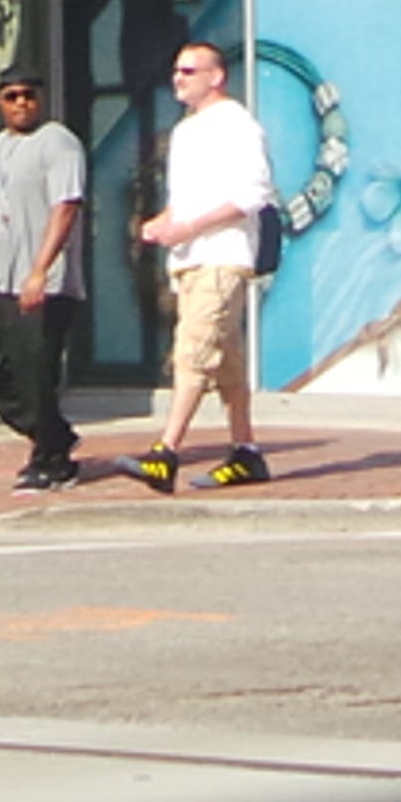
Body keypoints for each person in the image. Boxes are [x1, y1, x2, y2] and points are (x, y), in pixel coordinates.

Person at [128, 42, 277, 493]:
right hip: (191, 261)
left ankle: (165, 451)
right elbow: (187, 199)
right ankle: (245, 451)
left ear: (216, 77)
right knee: (226, 362)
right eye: (176, 70)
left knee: (193, 351)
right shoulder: (187, 131)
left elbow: (254, 194)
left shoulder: (237, 125)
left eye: (190, 70)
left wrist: (189, 227)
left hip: (223, 257)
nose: (179, 78)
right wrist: (165, 223)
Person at [0, 64, 87, 494]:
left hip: (42, 282)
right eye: (12, 96)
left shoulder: (58, 143)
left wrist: (39, 272)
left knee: (34, 372)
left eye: (29, 94)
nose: (21, 103)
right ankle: (52, 433)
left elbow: (65, 207)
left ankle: (52, 460)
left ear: (40, 99)